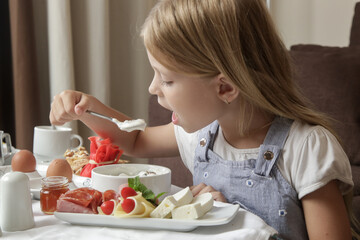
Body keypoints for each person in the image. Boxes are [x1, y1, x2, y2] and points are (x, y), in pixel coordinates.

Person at [50, 0, 359, 239]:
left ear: (224, 87)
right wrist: (89, 109)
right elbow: (134, 139)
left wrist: (233, 217)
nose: (152, 88)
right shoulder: (201, 135)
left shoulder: (305, 150)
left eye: (167, 80)